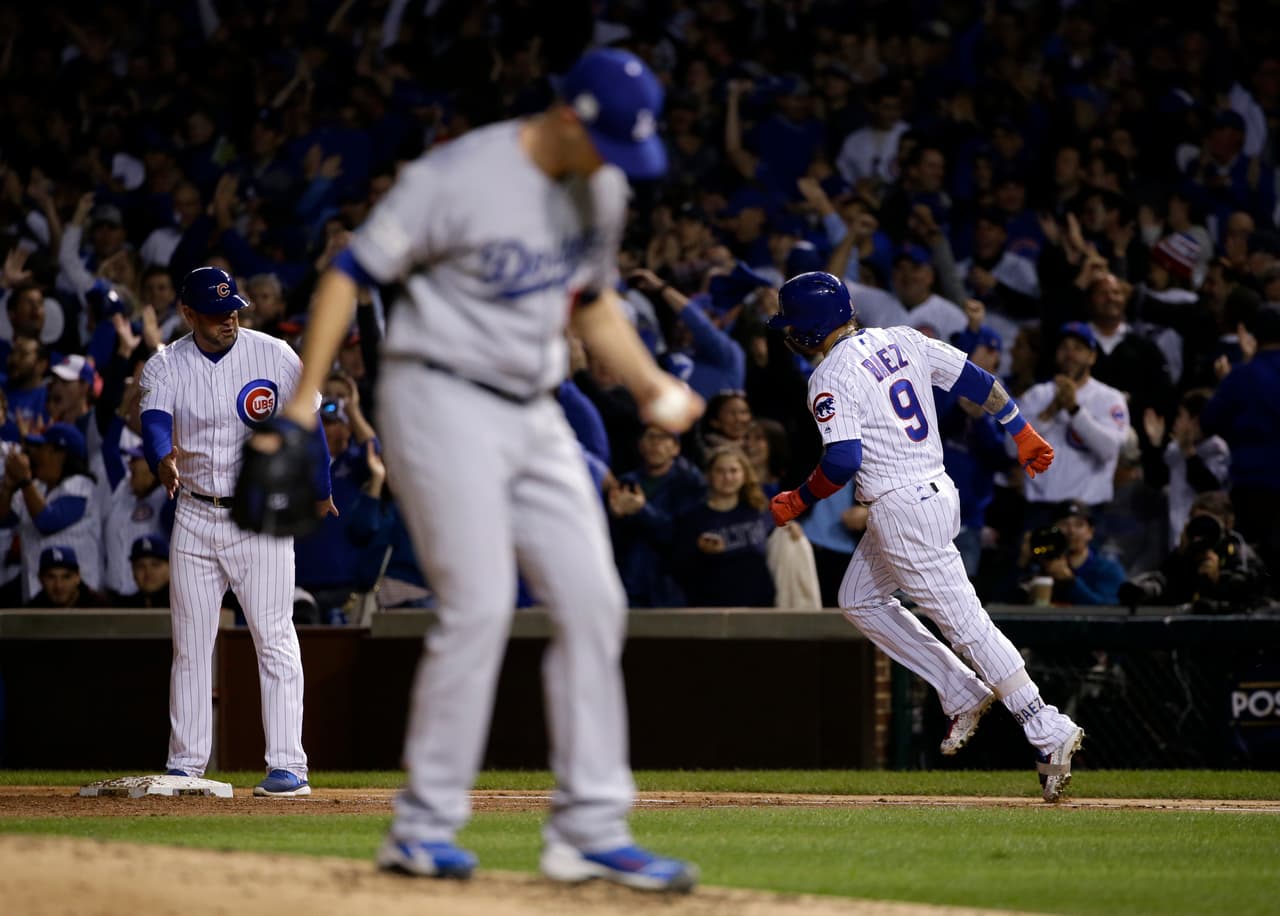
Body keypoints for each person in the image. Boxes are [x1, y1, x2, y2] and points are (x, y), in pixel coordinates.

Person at [269, 49, 702, 890]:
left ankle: (588, 828)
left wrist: (651, 384)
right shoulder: (460, 175)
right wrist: (304, 398)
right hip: (438, 397)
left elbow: (591, 300)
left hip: (533, 404)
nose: (619, 163)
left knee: (592, 598)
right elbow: (349, 273)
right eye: (609, 141)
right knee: (478, 602)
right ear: (569, 117)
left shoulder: (600, 186)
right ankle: (423, 826)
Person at [766, 271, 1084, 801]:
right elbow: (977, 382)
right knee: (859, 599)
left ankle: (1045, 725)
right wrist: (1021, 430)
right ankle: (960, 689)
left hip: (902, 508)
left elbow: (844, 459)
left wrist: (799, 499)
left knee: (967, 624)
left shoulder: (829, 376)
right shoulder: (903, 338)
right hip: (935, 493)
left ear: (806, 328)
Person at [138, 265, 334, 796]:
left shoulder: (272, 354)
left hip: (260, 515)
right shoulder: (166, 364)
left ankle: (289, 766)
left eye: (234, 310)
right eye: (218, 312)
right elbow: (154, 420)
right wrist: (161, 458)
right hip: (196, 514)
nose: (230, 319)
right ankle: (185, 766)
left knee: (274, 636)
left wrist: (321, 488)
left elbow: (310, 421)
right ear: (188, 314)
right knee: (191, 645)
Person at [1016, 322, 1130, 531]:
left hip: (1087, 512)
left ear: (1092, 357)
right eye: (1064, 347)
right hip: (1040, 510)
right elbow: (1011, 447)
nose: (1070, 354)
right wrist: (1051, 411)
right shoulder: (1037, 395)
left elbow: (1109, 450)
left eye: (1078, 348)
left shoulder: (1109, 398)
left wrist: (1074, 410)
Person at [0, 423, 104, 601]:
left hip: (80, 599)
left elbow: (48, 521)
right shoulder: (35, 488)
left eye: (43, 448)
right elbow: (3, 520)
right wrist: (8, 487)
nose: (36, 454)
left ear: (60, 454)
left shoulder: (81, 486)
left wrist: (24, 480)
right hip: (36, 597)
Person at [672, 445, 776, 607]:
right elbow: (679, 569)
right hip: (711, 610)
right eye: (720, 471)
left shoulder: (760, 511)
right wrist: (702, 552)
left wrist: (790, 528)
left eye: (733, 471)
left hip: (759, 608)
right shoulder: (691, 518)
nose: (727, 477)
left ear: (744, 475)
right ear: (708, 476)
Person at [27, 546, 107, 608]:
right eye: (51, 577)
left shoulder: (101, 608)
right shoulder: (30, 611)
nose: (59, 586)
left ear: (78, 577)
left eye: (66, 577)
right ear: (40, 579)